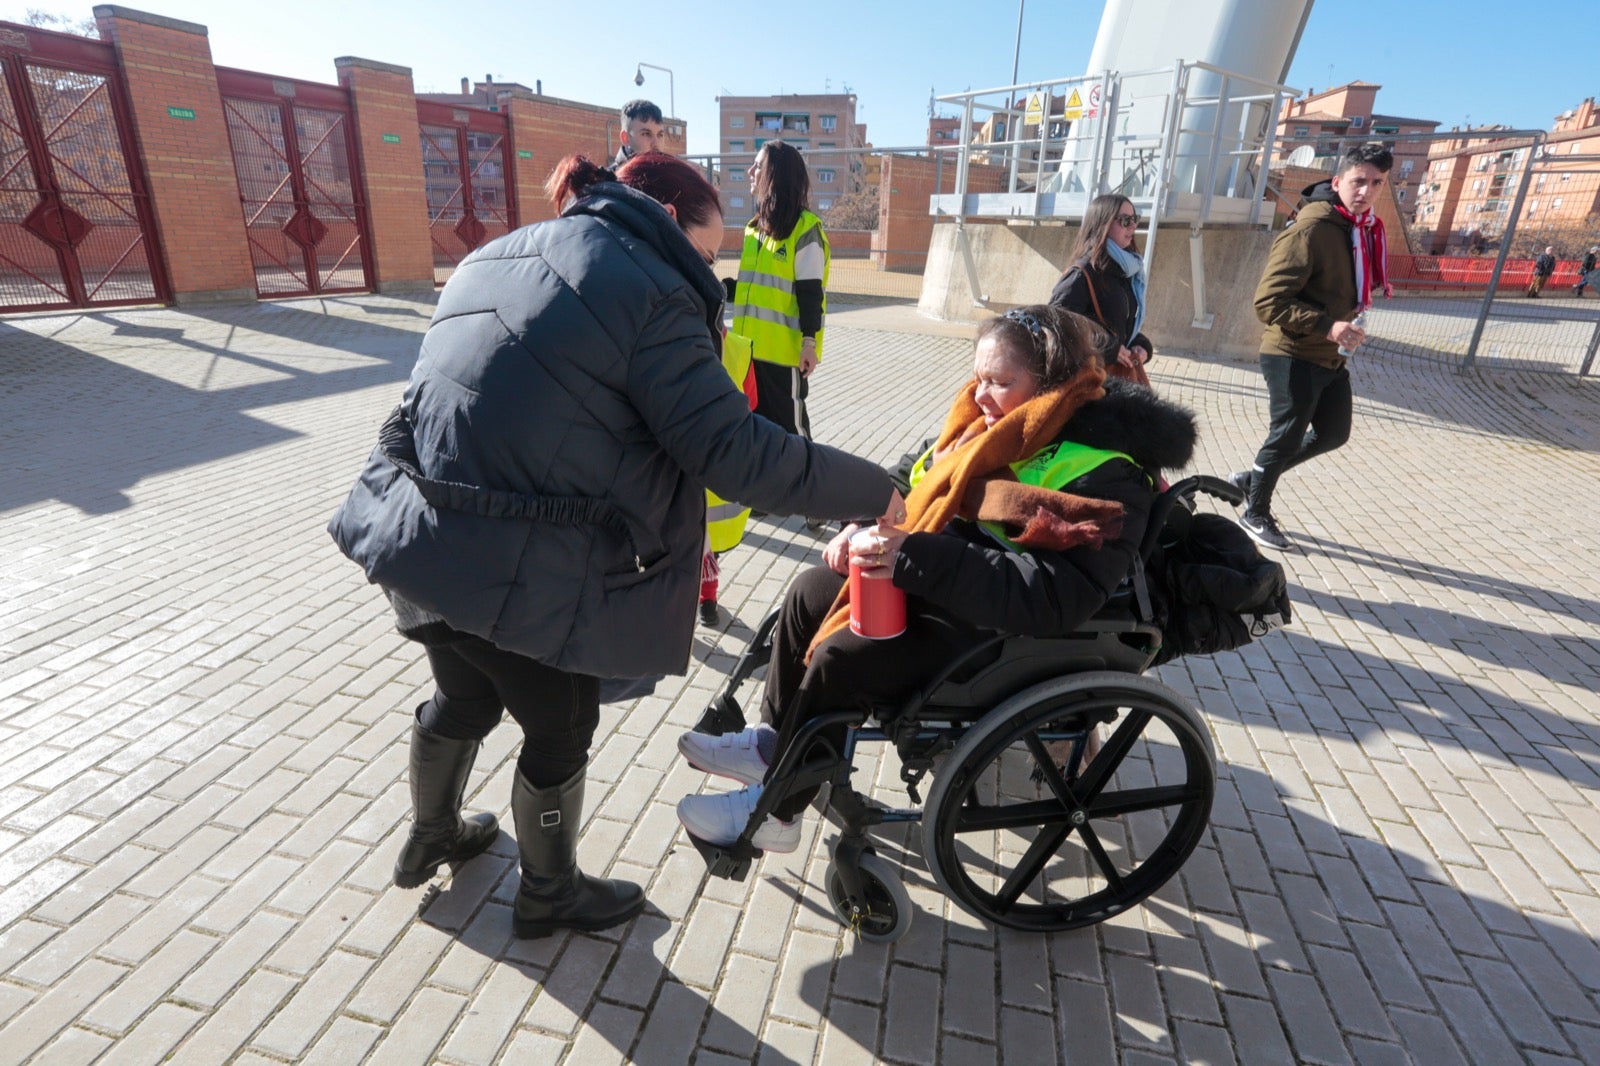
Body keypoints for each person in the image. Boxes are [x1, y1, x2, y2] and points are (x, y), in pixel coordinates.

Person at [328, 150, 903, 939]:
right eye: (708, 252)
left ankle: (431, 836)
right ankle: (549, 893)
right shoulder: (650, 290)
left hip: (424, 540)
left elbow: (451, 402)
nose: (712, 272)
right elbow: (738, 454)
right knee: (560, 727)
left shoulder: (496, 253)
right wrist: (878, 490)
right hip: (516, 569)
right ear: (667, 220)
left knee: (463, 694)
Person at [675, 304, 1198, 851]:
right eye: (979, 377)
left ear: (1052, 384)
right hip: (948, 583)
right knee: (808, 594)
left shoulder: (1108, 470)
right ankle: (771, 745)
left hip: (1005, 629)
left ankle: (778, 816)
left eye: (1000, 381)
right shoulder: (986, 427)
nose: (979, 395)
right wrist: (859, 523)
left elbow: (1056, 595)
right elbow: (911, 478)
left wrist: (911, 558)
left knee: (843, 658)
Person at [1230, 142, 1393, 552]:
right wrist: (1327, 326)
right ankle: (1255, 511)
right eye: (1359, 181)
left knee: (1334, 432)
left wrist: (1342, 327)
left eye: (1377, 183)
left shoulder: (1360, 229)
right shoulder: (1312, 227)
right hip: (1292, 352)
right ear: (1338, 181)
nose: (1366, 191)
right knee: (1285, 436)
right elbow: (1268, 302)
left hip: (1329, 356)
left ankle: (1254, 478)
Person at [728, 140, 830, 438]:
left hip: (784, 358)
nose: (750, 171)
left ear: (775, 174)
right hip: (747, 353)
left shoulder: (805, 229)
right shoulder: (754, 229)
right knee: (756, 431)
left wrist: (809, 343)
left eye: (758, 166)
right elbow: (753, 288)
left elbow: (811, 293)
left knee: (794, 436)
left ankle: (810, 485)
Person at [1049, 193, 1154, 385]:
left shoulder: (1124, 272)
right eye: (1125, 220)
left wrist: (1141, 345)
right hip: (1087, 382)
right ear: (1102, 225)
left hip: (1112, 380)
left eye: (1135, 219)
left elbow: (1115, 324)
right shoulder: (1082, 274)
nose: (1133, 226)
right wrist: (1109, 349)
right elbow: (1056, 328)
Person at [613, 99, 665, 167]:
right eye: (646, 134)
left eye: (660, 135)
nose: (656, 144)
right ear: (625, 138)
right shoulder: (608, 177)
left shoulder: (671, 175)